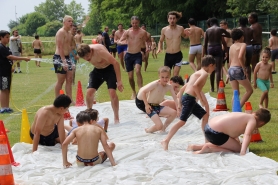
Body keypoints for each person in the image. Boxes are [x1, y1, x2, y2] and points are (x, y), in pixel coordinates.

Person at [161, 55, 215, 150]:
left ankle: (207, 141)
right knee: (182, 121)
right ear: (210, 65)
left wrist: (179, 105)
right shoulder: (204, 74)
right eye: (214, 67)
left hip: (188, 98)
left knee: (205, 116)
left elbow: (183, 89)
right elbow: (195, 86)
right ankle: (166, 140)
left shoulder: (196, 73)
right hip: (189, 98)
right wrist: (201, 100)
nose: (214, 69)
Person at [187, 108, 271, 155]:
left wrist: (237, 141)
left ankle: (196, 147)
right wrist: (242, 151)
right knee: (237, 149)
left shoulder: (244, 115)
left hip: (208, 127)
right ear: (262, 123)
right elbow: (247, 135)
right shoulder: (252, 120)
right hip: (216, 133)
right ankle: (209, 148)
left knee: (234, 144)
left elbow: (232, 130)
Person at [77, 44, 124, 123]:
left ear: (91, 51)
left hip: (109, 70)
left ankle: (116, 117)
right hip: (97, 71)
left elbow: (115, 63)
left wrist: (119, 81)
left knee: (112, 93)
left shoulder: (100, 51)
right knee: (89, 92)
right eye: (84, 58)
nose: (87, 59)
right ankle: (89, 115)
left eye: (88, 56)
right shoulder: (84, 51)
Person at [135, 66, 179, 133]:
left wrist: (178, 109)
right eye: (162, 77)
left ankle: (163, 128)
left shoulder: (169, 87)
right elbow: (143, 92)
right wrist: (146, 105)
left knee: (174, 113)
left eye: (167, 77)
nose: (165, 79)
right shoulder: (156, 84)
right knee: (159, 126)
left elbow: (175, 98)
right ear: (159, 76)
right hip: (150, 107)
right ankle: (148, 130)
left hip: (157, 106)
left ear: (170, 76)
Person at [118, 16, 148, 99]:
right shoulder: (127, 32)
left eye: (136, 23)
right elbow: (121, 40)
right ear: (131, 23)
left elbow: (145, 41)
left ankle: (140, 91)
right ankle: (134, 92)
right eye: (133, 23)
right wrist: (121, 43)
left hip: (138, 54)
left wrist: (146, 49)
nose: (135, 25)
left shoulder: (142, 32)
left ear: (139, 22)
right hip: (129, 55)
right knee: (130, 76)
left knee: (138, 71)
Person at [0, 30, 30, 113]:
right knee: (4, 89)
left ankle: (7, 107)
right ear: (1, 38)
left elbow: (10, 58)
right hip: (3, 72)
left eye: (9, 37)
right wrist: (24, 58)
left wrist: (12, 66)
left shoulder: (6, 47)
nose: (8, 39)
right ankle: (3, 107)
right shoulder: (1, 47)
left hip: (8, 71)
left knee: (7, 89)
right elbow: (10, 57)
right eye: (6, 37)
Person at [203, 17, 230, 92]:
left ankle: (212, 88)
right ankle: (219, 88)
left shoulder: (208, 30)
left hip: (210, 48)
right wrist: (222, 34)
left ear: (211, 23)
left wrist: (205, 54)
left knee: (211, 69)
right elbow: (229, 35)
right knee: (218, 69)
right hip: (218, 47)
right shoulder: (220, 29)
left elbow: (205, 44)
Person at [228, 28, 253, 108]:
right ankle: (238, 108)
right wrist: (244, 69)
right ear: (242, 37)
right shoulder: (243, 45)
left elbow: (230, 60)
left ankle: (233, 111)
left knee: (236, 92)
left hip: (231, 69)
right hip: (238, 69)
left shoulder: (231, 46)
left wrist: (228, 74)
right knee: (249, 90)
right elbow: (240, 57)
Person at [157, 11, 186, 77]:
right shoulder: (164, 30)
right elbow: (160, 41)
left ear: (176, 19)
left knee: (175, 75)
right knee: (166, 75)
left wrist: (189, 33)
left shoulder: (180, 28)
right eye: (170, 18)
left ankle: (174, 86)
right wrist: (159, 48)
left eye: (173, 18)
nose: (172, 20)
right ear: (168, 20)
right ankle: (168, 87)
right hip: (168, 56)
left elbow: (185, 36)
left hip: (178, 55)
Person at [53, 15, 74, 103]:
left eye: (71, 21)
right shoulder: (60, 32)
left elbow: (68, 47)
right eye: (69, 21)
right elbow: (60, 47)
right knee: (61, 80)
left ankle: (69, 99)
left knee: (69, 79)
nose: (71, 23)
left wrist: (71, 60)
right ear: (64, 22)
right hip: (59, 58)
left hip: (67, 57)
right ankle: (57, 100)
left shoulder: (69, 33)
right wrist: (64, 61)